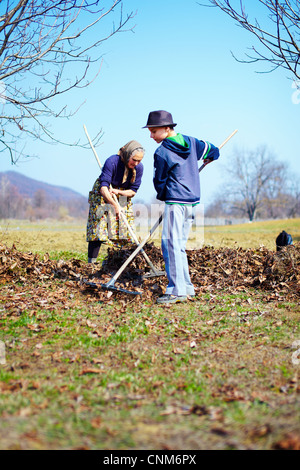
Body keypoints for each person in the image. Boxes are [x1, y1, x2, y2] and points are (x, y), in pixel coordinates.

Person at [143, 110, 219, 304]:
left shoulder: (162, 152)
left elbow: (159, 182)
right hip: (192, 202)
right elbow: (214, 150)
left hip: (176, 202)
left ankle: (176, 291)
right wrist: (209, 157)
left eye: (153, 131)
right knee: (179, 246)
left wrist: (164, 196)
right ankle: (187, 288)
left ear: (167, 129)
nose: (151, 135)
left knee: (170, 245)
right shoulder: (192, 142)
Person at [86, 140, 145, 263]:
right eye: (134, 160)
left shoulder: (139, 168)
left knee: (124, 230)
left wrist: (119, 193)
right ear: (128, 155)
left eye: (139, 160)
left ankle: (122, 263)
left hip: (121, 195)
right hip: (104, 193)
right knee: (99, 228)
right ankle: (91, 263)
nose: (136, 163)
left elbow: (133, 191)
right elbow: (103, 188)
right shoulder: (112, 162)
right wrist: (113, 205)